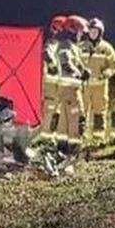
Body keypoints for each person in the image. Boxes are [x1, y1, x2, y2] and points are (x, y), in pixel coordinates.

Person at [79, 17, 115, 147]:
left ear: (100, 32)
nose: (93, 33)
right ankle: (81, 136)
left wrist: (106, 74)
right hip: (85, 86)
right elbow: (75, 62)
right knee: (82, 111)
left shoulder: (106, 48)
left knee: (99, 112)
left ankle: (98, 137)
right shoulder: (81, 46)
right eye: (91, 30)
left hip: (100, 86)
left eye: (95, 31)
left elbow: (114, 63)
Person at [55, 15, 91, 152]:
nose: (82, 35)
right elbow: (66, 63)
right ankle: (74, 146)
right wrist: (79, 74)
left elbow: (76, 63)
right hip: (70, 88)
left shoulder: (70, 45)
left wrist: (84, 70)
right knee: (77, 115)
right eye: (81, 32)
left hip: (67, 88)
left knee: (65, 116)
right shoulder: (65, 45)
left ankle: (62, 144)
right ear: (73, 30)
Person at [40, 15, 68, 143]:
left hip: (60, 81)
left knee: (58, 109)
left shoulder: (62, 44)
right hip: (52, 81)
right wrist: (53, 67)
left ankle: (54, 133)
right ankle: (46, 135)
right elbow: (47, 55)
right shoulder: (50, 43)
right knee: (50, 108)